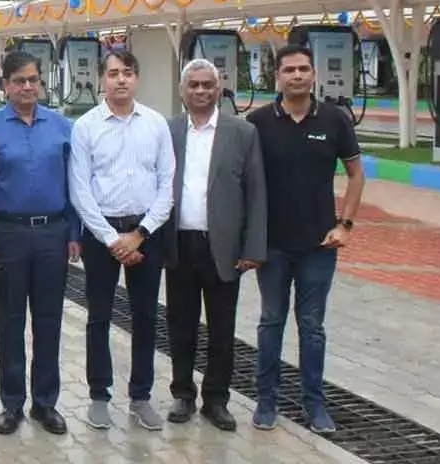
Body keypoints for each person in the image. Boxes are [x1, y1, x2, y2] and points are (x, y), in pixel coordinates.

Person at [246, 44, 365, 434]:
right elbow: (244, 181)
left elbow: (356, 175)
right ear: (276, 77)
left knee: (312, 327)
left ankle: (315, 405)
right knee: (270, 322)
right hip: (273, 246)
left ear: (313, 75)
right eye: (289, 70)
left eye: (303, 69)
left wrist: (344, 225)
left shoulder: (335, 120)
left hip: (319, 246)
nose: (297, 76)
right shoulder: (258, 123)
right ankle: (266, 401)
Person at [0, 50, 81, 436]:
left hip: (52, 234)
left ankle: (45, 403)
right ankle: (12, 403)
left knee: (49, 321)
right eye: (19, 81)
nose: (28, 86)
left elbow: (75, 185)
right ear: (5, 85)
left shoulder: (62, 127)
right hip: (7, 235)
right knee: (11, 321)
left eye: (33, 79)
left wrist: (74, 233)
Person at [69, 49, 174, 432]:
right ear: (102, 79)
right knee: (98, 317)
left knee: (146, 318)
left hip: (147, 234)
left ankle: (141, 396)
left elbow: (167, 186)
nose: (120, 80)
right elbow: (80, 190)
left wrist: (140, 234)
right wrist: (114, 240)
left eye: (127, 73)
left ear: (137, 78)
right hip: (102, 236)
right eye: (113, 73)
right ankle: (99, 394)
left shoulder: (156, 125)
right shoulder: (86, 127)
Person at [164, 58, 268, 431]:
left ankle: (217, 399)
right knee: (181, 324)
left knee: (222, 328)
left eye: (208, 84)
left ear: (219, 89)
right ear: (182, 91)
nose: (202, 91)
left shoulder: (242, 133)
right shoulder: (169, 130)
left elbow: (256, 193)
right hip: (179, 243)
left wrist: (253, 247)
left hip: (223, 247)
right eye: (194, 85)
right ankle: (183, 394)